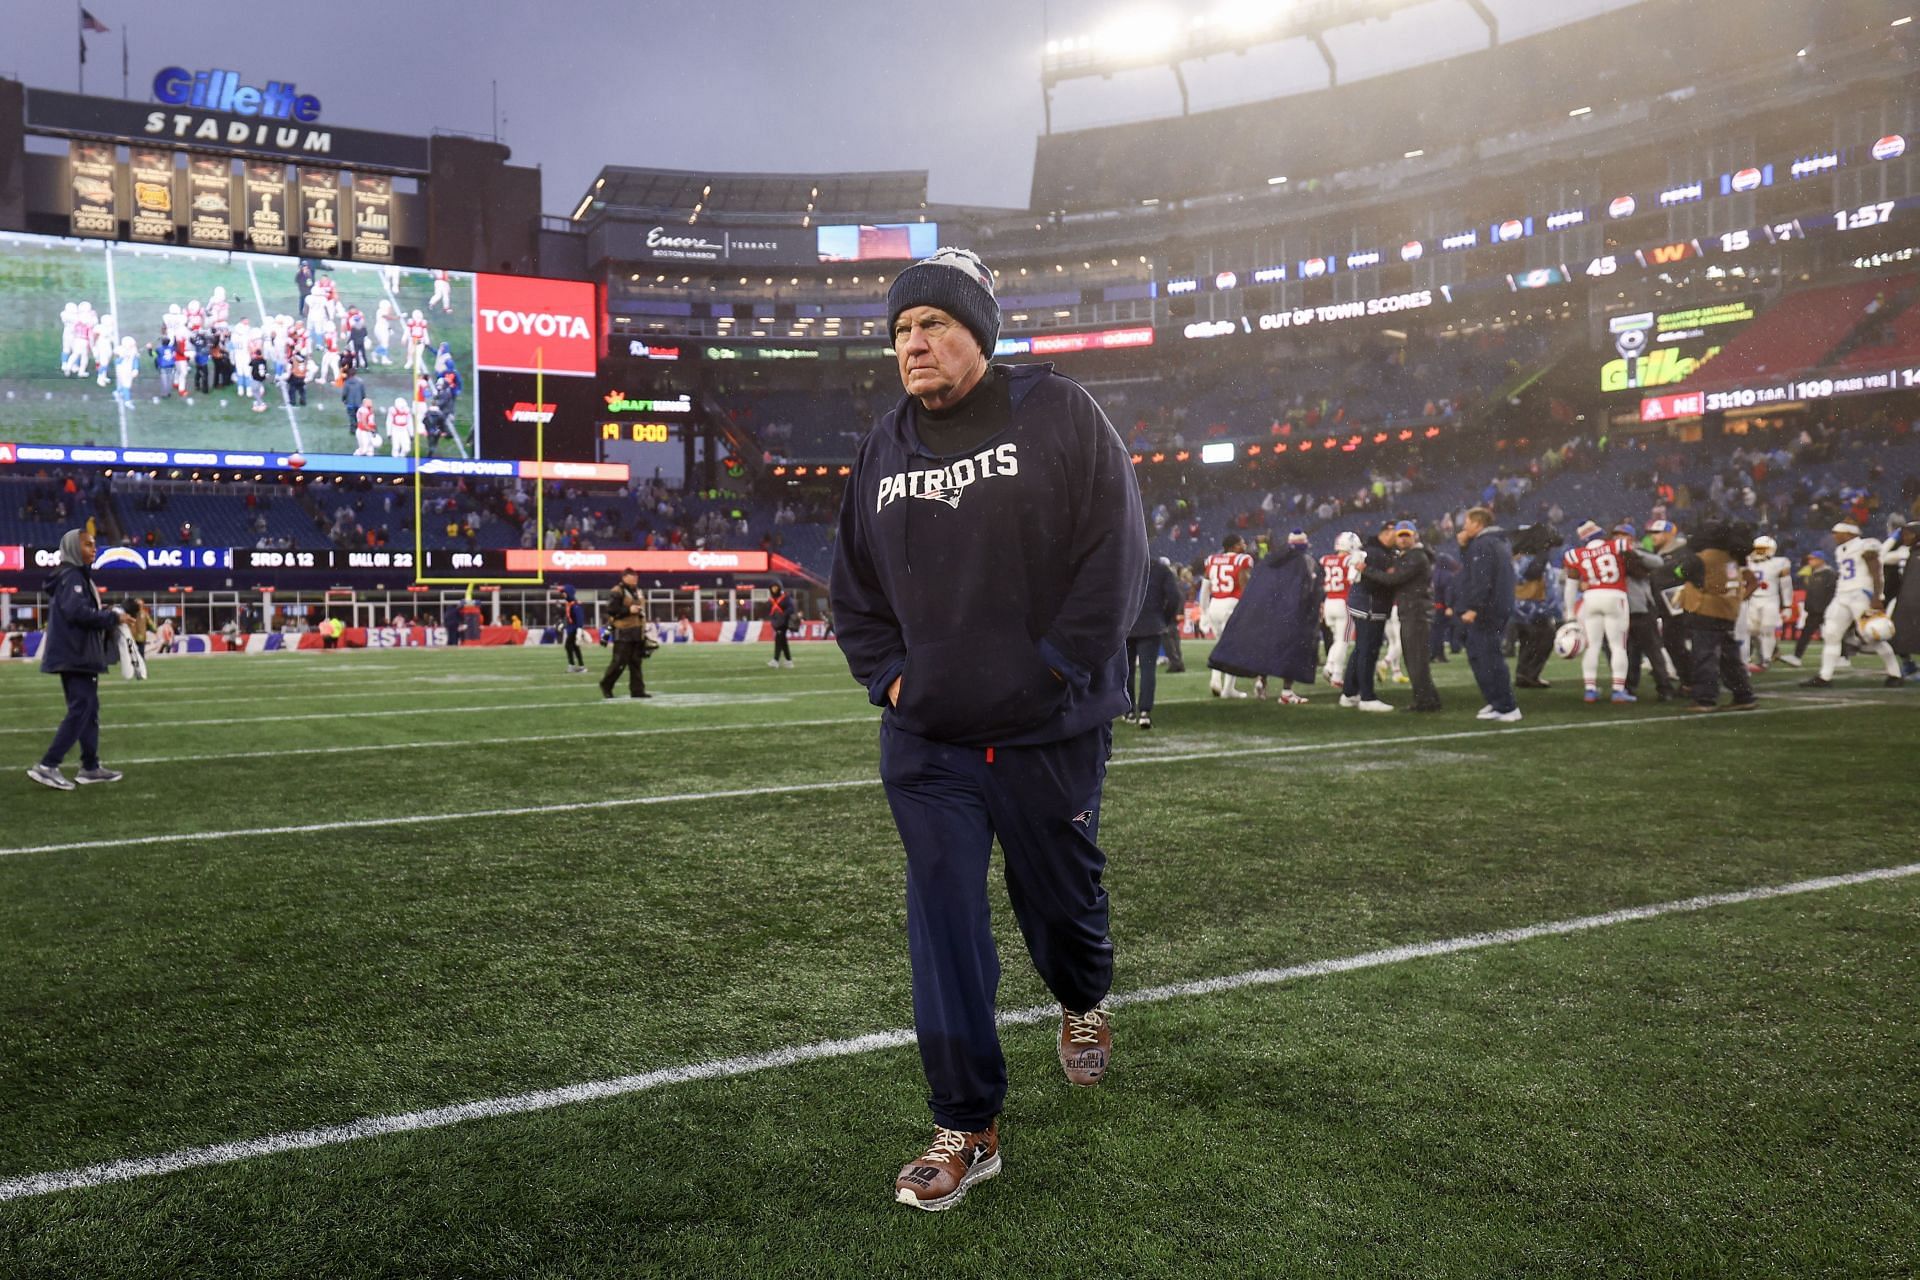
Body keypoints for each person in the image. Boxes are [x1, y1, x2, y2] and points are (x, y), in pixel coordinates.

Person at [829, 246, 1145, 1212]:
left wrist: (1053, 665)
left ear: (978, 334)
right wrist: (889, 681)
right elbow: (855, 587)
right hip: (930, 745)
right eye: (900, 332)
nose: (913, 344)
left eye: (932, 326)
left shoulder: (1058, 413)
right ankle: (967, 1122)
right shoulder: (883, 447)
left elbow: (1116, 554)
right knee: (944, 925)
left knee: (1063, 909)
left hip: (1048, 730)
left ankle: (1083, 1000)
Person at [27, 528, 126, 790]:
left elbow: (79, 611)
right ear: (73, 548)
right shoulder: (72, 575)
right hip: (76, 654)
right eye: (87, 544)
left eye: (94, 545)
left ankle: (90, 767)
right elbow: (77, 613)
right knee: (82, 708)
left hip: (77, 653)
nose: (94, 549)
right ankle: (49, 765)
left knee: (89, 710)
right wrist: (112, 618)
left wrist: (106, 614)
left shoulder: (74, 576)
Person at [1210, 528, 1320, 708]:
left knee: (1267, 648)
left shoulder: (1270, 560)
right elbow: (1308, 588)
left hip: (1268, 611)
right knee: (1290, 651)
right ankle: (1286, 691)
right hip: (1292, 611)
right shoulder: (1305, 561)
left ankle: (1261, 681)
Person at [1802, 521, 1904, 688]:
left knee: (1872, 634)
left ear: (1848, 534)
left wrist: (1878, 596)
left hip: (1861, 595)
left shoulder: (1865, 545)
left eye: (1837, 532)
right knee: (1831, 634)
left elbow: (1876, 571)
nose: (1834, 536)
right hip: (1842, 595)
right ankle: (1824, 677)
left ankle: (1895, 674)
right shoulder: (1839, 550)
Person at [1677, 523, 1759, 712]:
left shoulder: (1701, 558)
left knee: (1704, 656)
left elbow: (1679, 572)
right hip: (1727, 612)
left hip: (1705, 611)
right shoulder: (1732, 559)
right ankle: (1744, 695)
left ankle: (1704, 699)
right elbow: (1732, 583)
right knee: (1729, 657)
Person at [1456, 507, 1521, 722]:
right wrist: (1464, 547)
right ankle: (1496, 702)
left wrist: (1475, 607)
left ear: (1477, 523)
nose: (1464, 526)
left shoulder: (1483, 544)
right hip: (1497, 607)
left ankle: (1507, 706)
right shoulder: (1497, 542)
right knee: (1480, 654)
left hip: (1487, 610)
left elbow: (1481, 580)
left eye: (1467, 522)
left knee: (1489, 657)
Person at [1563, 519, 1633, 703]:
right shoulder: (1617, 545)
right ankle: (1618, 690)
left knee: (1592, 646)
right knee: (1618, 646)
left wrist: (1570, 613)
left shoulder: (1575, 554)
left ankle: (1590, 690)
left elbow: (1570, 587)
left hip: (1591, 598)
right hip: (1615, 595)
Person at [1339, 522, 1398, 712]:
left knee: (1361, 649)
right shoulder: (1377, 553)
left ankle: (1349, 692)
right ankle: (1367, 696)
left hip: (1363, 603)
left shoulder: (1369, 550)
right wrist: (1389, 576)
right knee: (1368, 651)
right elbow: (1374, 581)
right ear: (1387, 533)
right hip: (1370, 605)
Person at [1616, 523, 1679, 702]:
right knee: (1630, 653)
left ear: (1632, 538)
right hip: (1622, 611)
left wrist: (1632, 552)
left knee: (1653, 652)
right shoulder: (1610, 554)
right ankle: (1629, 687)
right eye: (1617, 535)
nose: (1619, 538)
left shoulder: (1638, 552)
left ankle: (1664, 687)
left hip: (1643, 610)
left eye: (1624, 535)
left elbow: (1657, 562)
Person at [1384, 521, 1440, 712]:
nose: (1403, 539)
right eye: (1400, 535)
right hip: (1414, 611)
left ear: (1415, 536)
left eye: (1407, 535)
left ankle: (1424, 701)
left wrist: (1366, 570)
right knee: (1415, 658)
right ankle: (1429, 698)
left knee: (1415, 659)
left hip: (1415, 612)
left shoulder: (1416, 557)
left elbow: (1395, 579)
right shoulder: (1412, 555)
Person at [1125, 546, 1182, 728]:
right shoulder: (1160, 568)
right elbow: (1174, 597)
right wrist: (1164, 618)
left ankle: (1128, 710)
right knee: (1148, 671)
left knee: (1127, 671)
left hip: (1126, 625)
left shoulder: (1123, 566)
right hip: (1151, 625)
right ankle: (1145, 712)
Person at [1202, 534, 1253, 698]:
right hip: (1232, 604)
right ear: (1235, 546)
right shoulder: (1242, 560)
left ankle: (1215, 680)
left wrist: (1204, 613)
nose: (1244, 545)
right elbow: (1244, 584)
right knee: (1234, 648)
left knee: (1221, 646)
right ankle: (1228, 689)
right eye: (1242, 542)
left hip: (1215, 604)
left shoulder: (1212, 560)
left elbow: (1205, 589)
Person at [599, 566, 654, 698]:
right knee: (619, 662)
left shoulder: (638, 591)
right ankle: (606, 684)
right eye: (632, 575)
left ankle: (637, 690)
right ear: (624, 577)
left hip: (637, 631)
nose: (635, 578)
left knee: (636, 663)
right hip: (623, 632)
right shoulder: (617, 591)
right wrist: (629, 610)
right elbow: (611, 610)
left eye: (636, 575)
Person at [1742, 535, 1793, 672]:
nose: (1759, 552)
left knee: (1767, 630)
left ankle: (1765, 659)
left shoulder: (1780, 562)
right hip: (1751, 600)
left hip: (1770, 600)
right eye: (1757, 549)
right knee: (1747, 630)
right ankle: (1745, 660)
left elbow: (1786, 585)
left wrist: (1787, 605)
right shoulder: (1747, 561)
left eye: (1763, 549)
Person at [1320, 531, 1363, 685]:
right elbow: (1353, 579)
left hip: (1328, 602)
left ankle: (1333, 671)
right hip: (1343, 603)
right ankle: (1333, 671)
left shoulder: (1325, 559)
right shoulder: (1349, 560)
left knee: (1338, 640)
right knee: (1343, 641)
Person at [1786, 550, 1834, 668]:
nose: (1810, 561)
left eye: (1813, 559)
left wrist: (1828, 607)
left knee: (1833, 634)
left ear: (1821, 560)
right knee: (1806, 634)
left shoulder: (1829, 574)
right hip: (1814, 610)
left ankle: (1843, 656)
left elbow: (1831, 593)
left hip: (1825, 610)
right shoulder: (1813, 572)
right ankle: (1797, 656)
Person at [766, 583, 796, 668]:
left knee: (778, 640)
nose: (774, 589)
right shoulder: (772, 599)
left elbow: (791, 608)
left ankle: (776, 660)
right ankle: (789, 661)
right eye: (772, 588)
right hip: (776, 622)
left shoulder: (785, 598)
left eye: (775, 587)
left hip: (783, 623)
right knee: (783, 641)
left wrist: (784, 615)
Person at [558, 585, 587, 673]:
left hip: (574, 629)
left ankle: (572, 666)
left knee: (568, 646)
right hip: (571, 628)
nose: (563, 594)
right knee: (575, 647)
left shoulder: (575, 605)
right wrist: (563, 624)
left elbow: (579, 618)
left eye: (564, 592)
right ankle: (581, 666)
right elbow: (568, 616)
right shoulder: (569, 604)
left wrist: (579, 629)